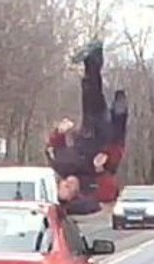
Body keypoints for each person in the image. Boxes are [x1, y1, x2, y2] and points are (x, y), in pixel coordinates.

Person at [48, 40, 129, 214]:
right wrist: (100, 170)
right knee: (117, 118)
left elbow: (55, 146)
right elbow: (110, 192)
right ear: (75, 193)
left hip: (90, 131)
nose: (67, 183)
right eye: (69, 188)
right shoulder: (89, 188)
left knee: (91, 95)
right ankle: (119, 105)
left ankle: (93, 58)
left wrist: (60, 132)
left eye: (63, 185)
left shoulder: (62, 166)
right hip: (108, 143)